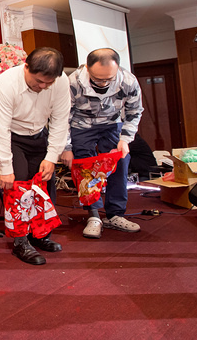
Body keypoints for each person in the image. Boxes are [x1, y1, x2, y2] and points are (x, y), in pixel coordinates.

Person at [0, 47, 70, 265]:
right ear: (26, 67)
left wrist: (52, 157)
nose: (42, 87)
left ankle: (40, 235)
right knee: (19, 185)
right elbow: (0, 129)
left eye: (48, 83)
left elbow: (60, 121)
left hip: (37, 133)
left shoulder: (61, 82)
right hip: (9, 134)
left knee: (44, 181)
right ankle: (20, 241)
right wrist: (5, 168)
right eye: (38, 81)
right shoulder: (4, 84)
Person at [59, 48, 144, 239]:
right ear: (87, 69)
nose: (104, 83)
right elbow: (62, 116)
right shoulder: (72, 83)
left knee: (120, 162)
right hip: (81, 126)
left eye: (108, 79)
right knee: (85, 167)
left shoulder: (128, 81)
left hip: (112, 124)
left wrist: (125, 140)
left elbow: (134, 112)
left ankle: (115, 214)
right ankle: (94, 215)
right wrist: (66, 147)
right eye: (98, 79)